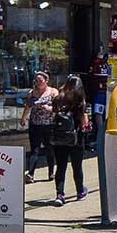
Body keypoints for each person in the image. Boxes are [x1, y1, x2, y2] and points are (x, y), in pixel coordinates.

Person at [49, 75, 88, 206]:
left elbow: (53, 116)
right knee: (77, 166)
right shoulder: (79, 100)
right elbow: (84, 122)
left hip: (59, 137)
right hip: (76, 137)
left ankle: (60, 194)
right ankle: (80, 191)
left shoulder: (58, 98)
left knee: (60, 166)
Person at [20, 71, 58, 184]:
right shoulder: (32, 93)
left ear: (46, 81)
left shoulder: (53, 92)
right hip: (35, 124)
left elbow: (58, 107)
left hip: (49, 125)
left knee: (49, 149)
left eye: (40, 80)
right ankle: (30, 174)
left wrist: (49, 109)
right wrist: (23, 118)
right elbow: (28, 106)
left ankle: (51, 171)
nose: (38, 83)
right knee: (34, 150)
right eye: (36, 81)